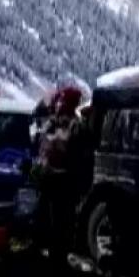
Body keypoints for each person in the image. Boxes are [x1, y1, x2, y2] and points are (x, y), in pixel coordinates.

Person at [32, 86, 83, 262]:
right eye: (58, 100)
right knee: (43, 215)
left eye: (62, 100)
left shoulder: (75, 126)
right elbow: (41, 144)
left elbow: (72, 152)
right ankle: (41, 247)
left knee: (61, 220)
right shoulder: (52, 121)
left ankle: (59, 255)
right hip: (47, 178)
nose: (59, 104)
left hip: (63, 181)